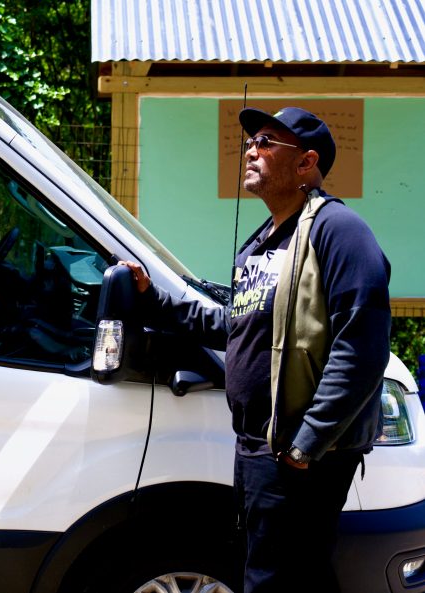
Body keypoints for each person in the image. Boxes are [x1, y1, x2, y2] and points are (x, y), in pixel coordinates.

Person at [122, 106, 391, 593]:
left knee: (275, 578)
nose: (251, 149)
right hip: (259, 445)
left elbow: (362, 344)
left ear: (306, 163)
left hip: (300, 452)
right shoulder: (261, 243)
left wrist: (307, 442)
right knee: (283, 571)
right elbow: (235, 326)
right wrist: (154, 301)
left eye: (267, 142)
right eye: (250, 142)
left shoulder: (339, 232)